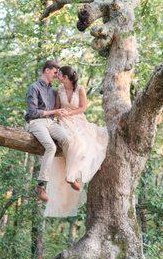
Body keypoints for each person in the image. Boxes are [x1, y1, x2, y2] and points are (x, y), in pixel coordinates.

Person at [44, 66, 108, 217]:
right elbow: (58, 107)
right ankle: (71, 177)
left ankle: (73, 175)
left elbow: (83, 107)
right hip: (63, 120)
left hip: (78, 119)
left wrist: (70, 113)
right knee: (72, 142)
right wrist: (57, 115)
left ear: (66, 77)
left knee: (85, 144)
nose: (57, 76)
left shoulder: (80, 89)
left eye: (59, 75)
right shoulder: (59, 89)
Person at [25, 60, 76, 203]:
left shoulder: (53, 90)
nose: (56, 75)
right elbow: (33, 112)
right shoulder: (33, 87)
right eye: (54, 72)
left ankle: (70, 175)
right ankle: (40, 186)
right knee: (51, 146)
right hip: (36, 122)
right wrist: (54, 111)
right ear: (47, 70)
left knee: (67, 139)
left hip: (51, 122)